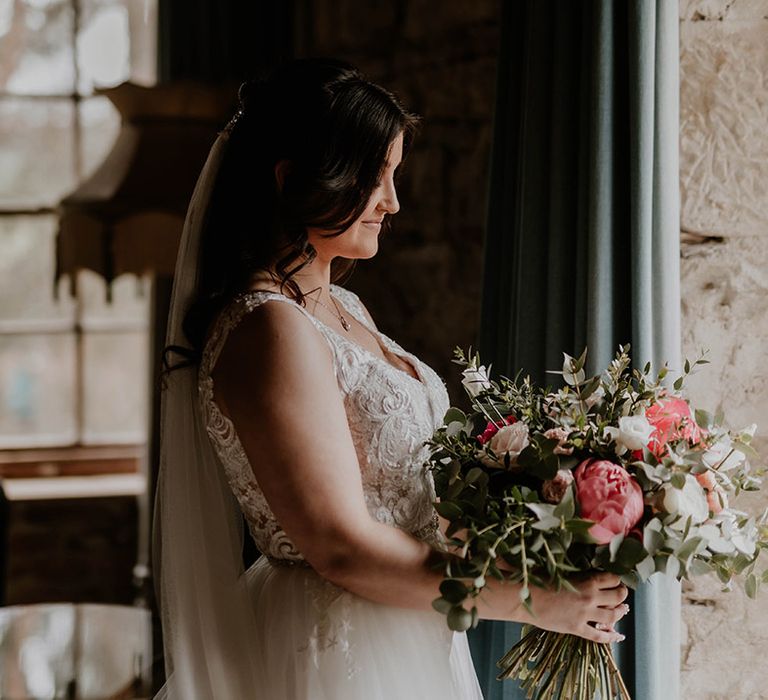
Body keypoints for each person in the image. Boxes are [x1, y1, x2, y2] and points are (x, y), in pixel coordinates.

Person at [153, 57, 629, 699]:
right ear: (294, 179)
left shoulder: (339, 310)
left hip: (408, 625)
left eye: (393, 175)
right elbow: (341, 545)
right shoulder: (270, 330)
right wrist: (532, 601)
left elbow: (406, 493)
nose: (393, 202)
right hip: (338, 645)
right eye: (373, 177)